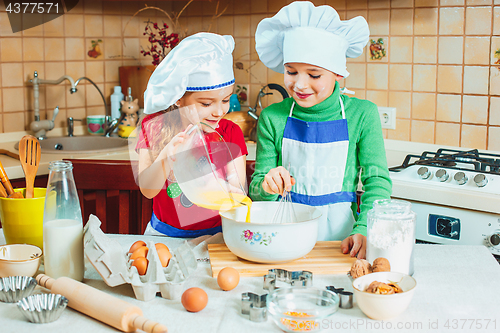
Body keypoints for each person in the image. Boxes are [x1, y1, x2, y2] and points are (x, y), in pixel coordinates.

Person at [250, 1, 392, 258]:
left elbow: (377, 181)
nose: (300, 85)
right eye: (291, 72)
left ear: (338, 75)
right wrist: (267, 187)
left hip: (342, 246)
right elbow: (258, 192)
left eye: (314, 75)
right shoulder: (272, 117)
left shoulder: (362, 114)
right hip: (283, 241)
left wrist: (364, 229)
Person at [136, 32, 248, 238]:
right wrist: (167, 156)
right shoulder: (155, 128)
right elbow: (148, 190)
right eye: (206, 103)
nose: (219, 111)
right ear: (178, 98)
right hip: (163, 236)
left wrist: (228, 187)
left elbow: (237, 190)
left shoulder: (231, 133)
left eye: (225, 100)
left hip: (218, 236)